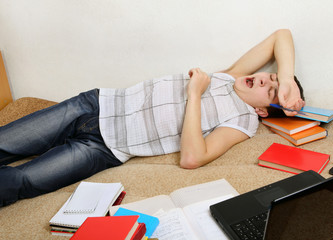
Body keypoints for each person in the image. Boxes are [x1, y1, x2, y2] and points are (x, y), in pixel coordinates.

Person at [0, 29, 305, 207]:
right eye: (272, 76)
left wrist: (195, 94)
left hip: (104, 148)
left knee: (23, 181)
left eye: (272, 91)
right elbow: (282, 35)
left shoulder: (243, 121)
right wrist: (287, 79)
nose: (267, 80)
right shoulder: (232, 76)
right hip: (93, 105)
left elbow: (192, 158)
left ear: (262, 111)